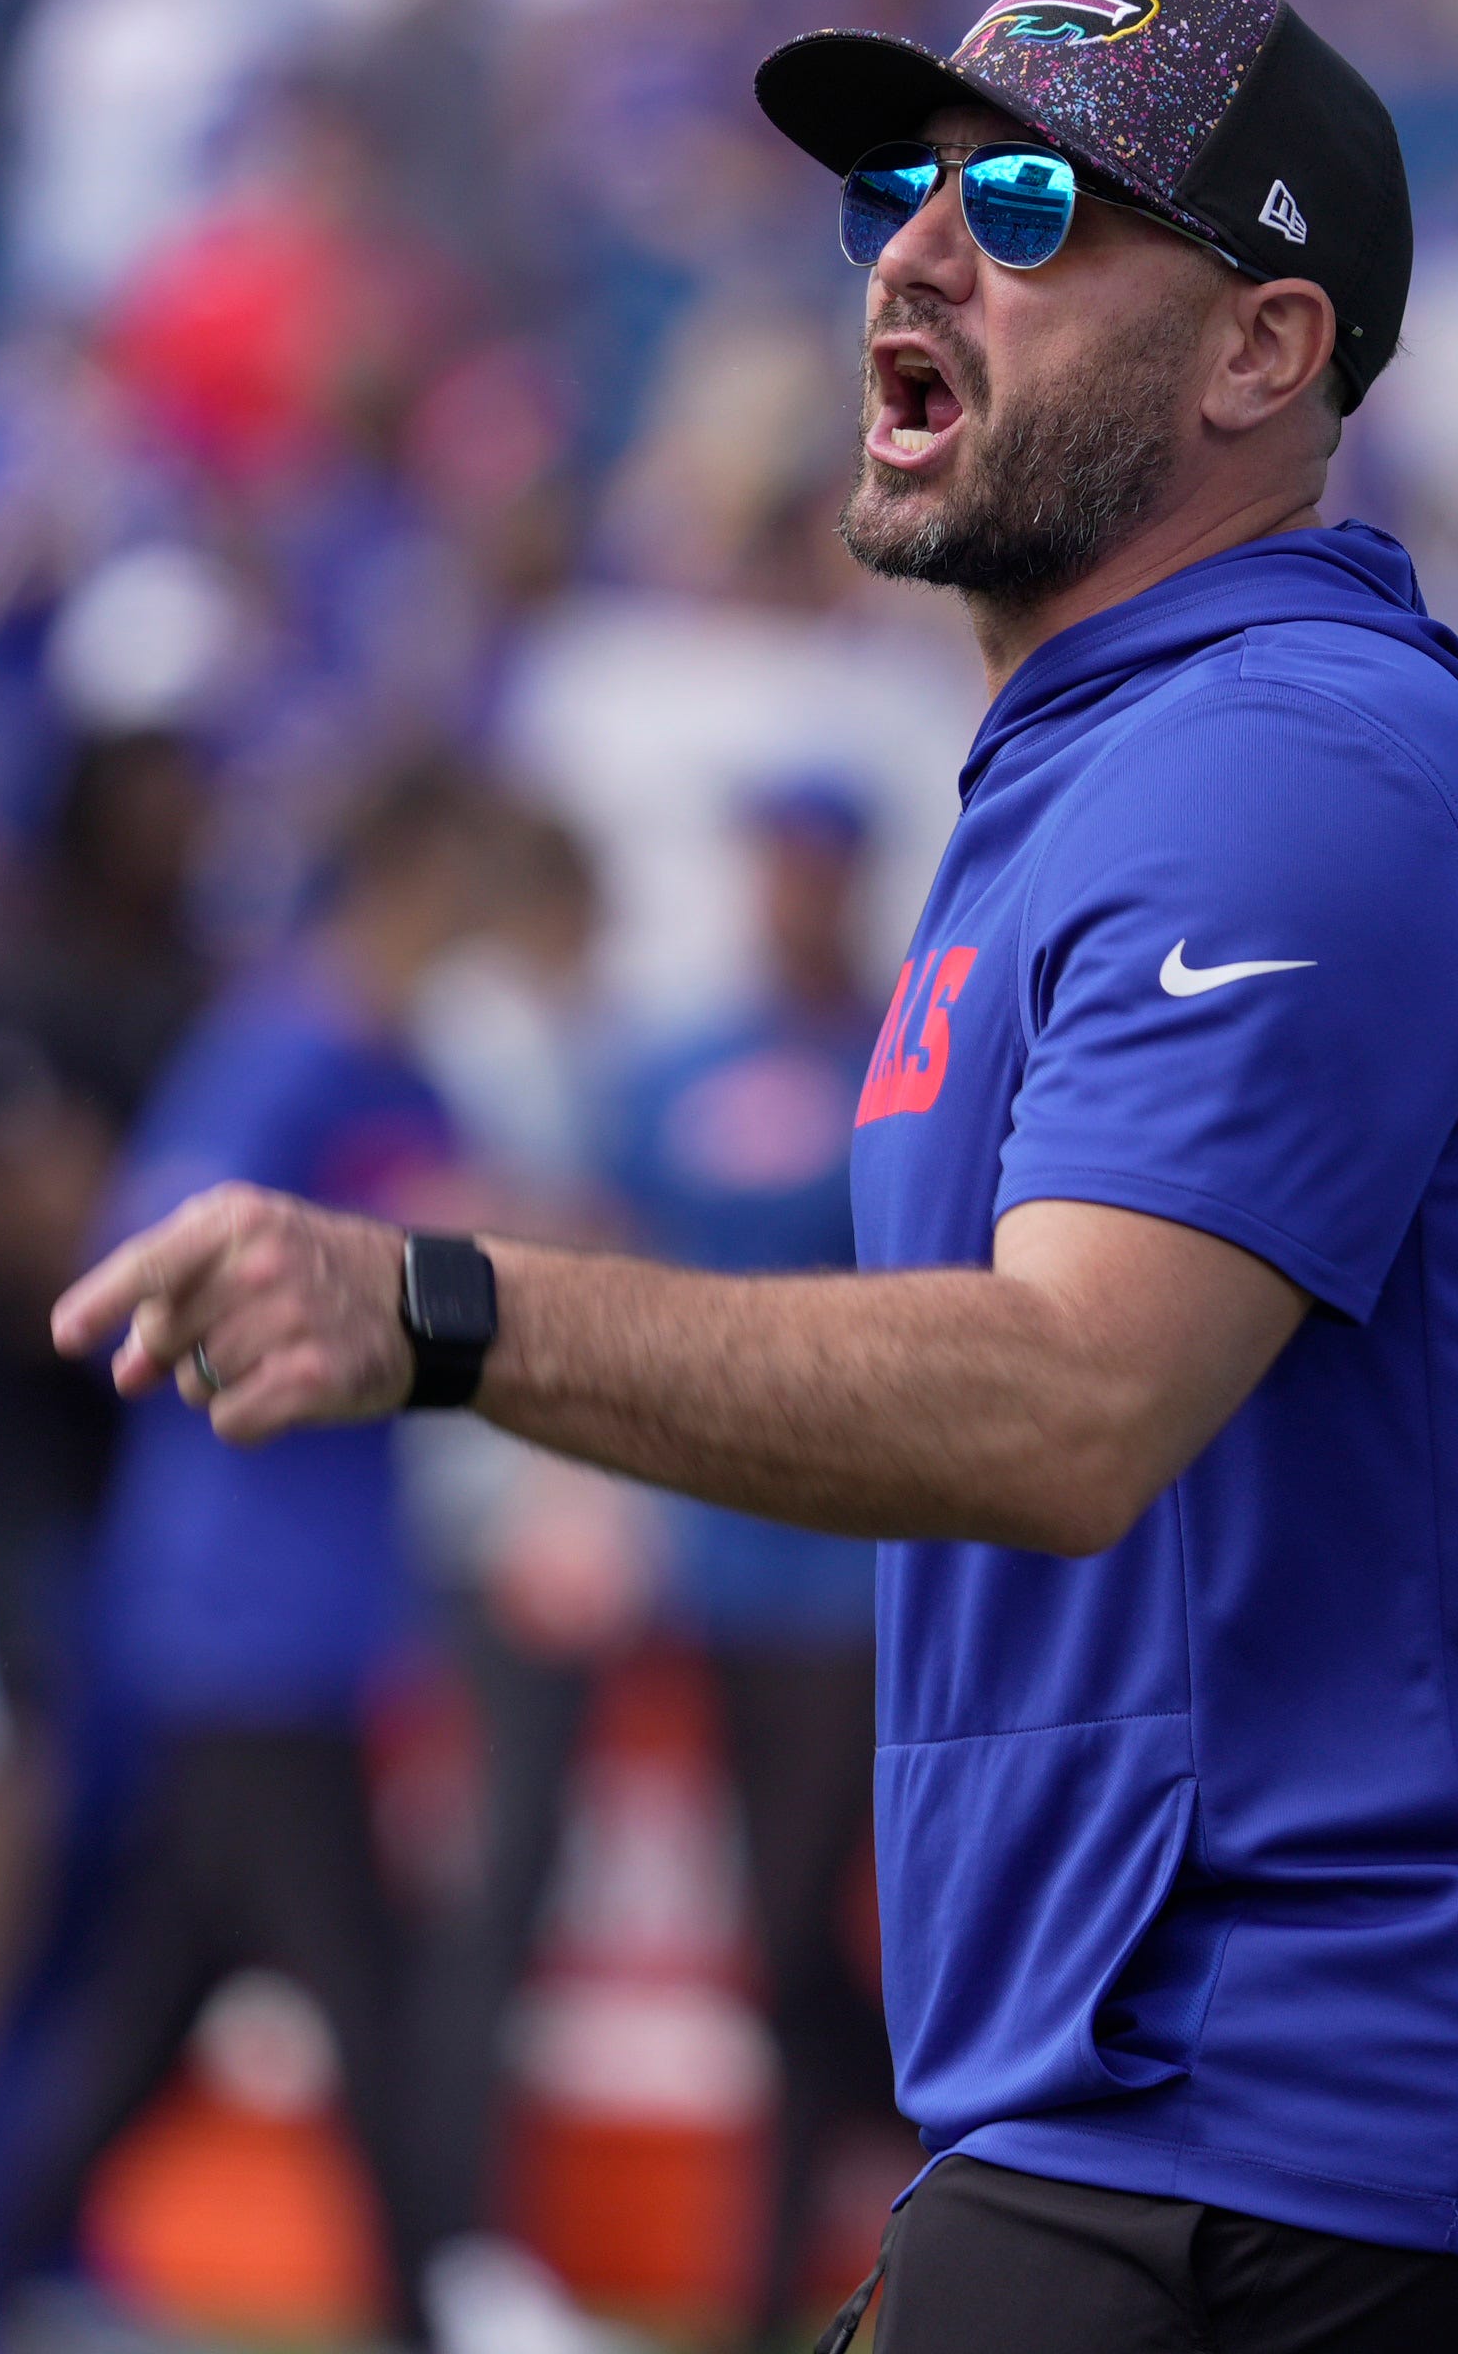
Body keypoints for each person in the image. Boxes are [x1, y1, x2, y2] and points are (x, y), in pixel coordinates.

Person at [51, 0, 1458, 2354]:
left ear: (1269, 346)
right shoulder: (1107, 764)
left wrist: (446, 1309)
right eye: (898, 199)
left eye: (1033, 208)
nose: (919, 252)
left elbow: (1066, 1404)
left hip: (1313, 2139)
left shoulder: (1286, 762)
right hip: (1161, 2119)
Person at [0, 762, 567, 2354]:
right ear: (398, 874)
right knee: (362, 1990)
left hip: (324, 1606)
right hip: (235, 1605)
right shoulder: (286, 1047)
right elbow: (165, 1232)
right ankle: (430, 2305)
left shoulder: (409, 1073)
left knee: (159, 2005)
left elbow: (483, 1267)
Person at [610, 775, 907, 2342]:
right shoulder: (672, 1065)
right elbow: (614, 1268)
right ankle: (800, 2248)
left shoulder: (899, 1054)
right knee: (775, 1940)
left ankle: (897, 2169)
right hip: (717, 1557)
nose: (787, 891)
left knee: (798, 1920)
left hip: (852, 1564)